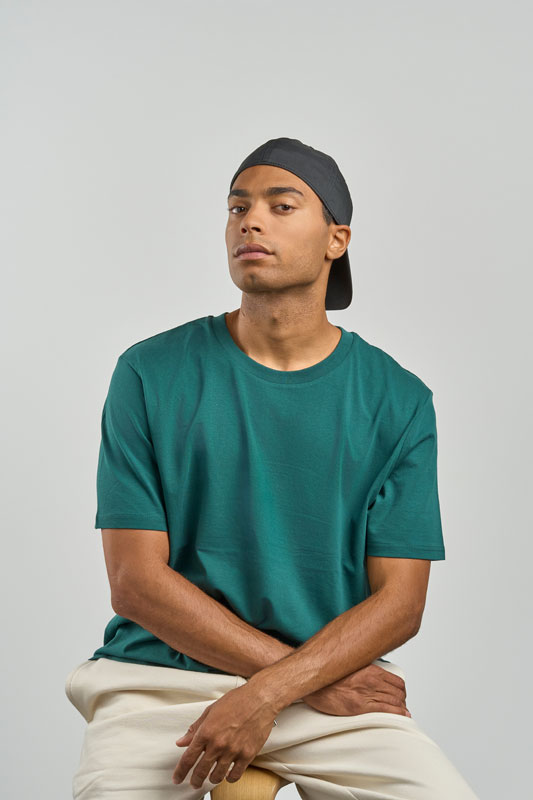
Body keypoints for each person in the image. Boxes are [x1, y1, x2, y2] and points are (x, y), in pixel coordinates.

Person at [65, 137, 479, 799]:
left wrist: (277, 690)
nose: (250, 222)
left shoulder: (397, 401)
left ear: (336, 240)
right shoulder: (149, 373)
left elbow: (400, 603)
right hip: (162, 685)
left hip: (330, 693)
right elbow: (135, 582)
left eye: (281, 206)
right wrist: (287, 681)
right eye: (238, 208)